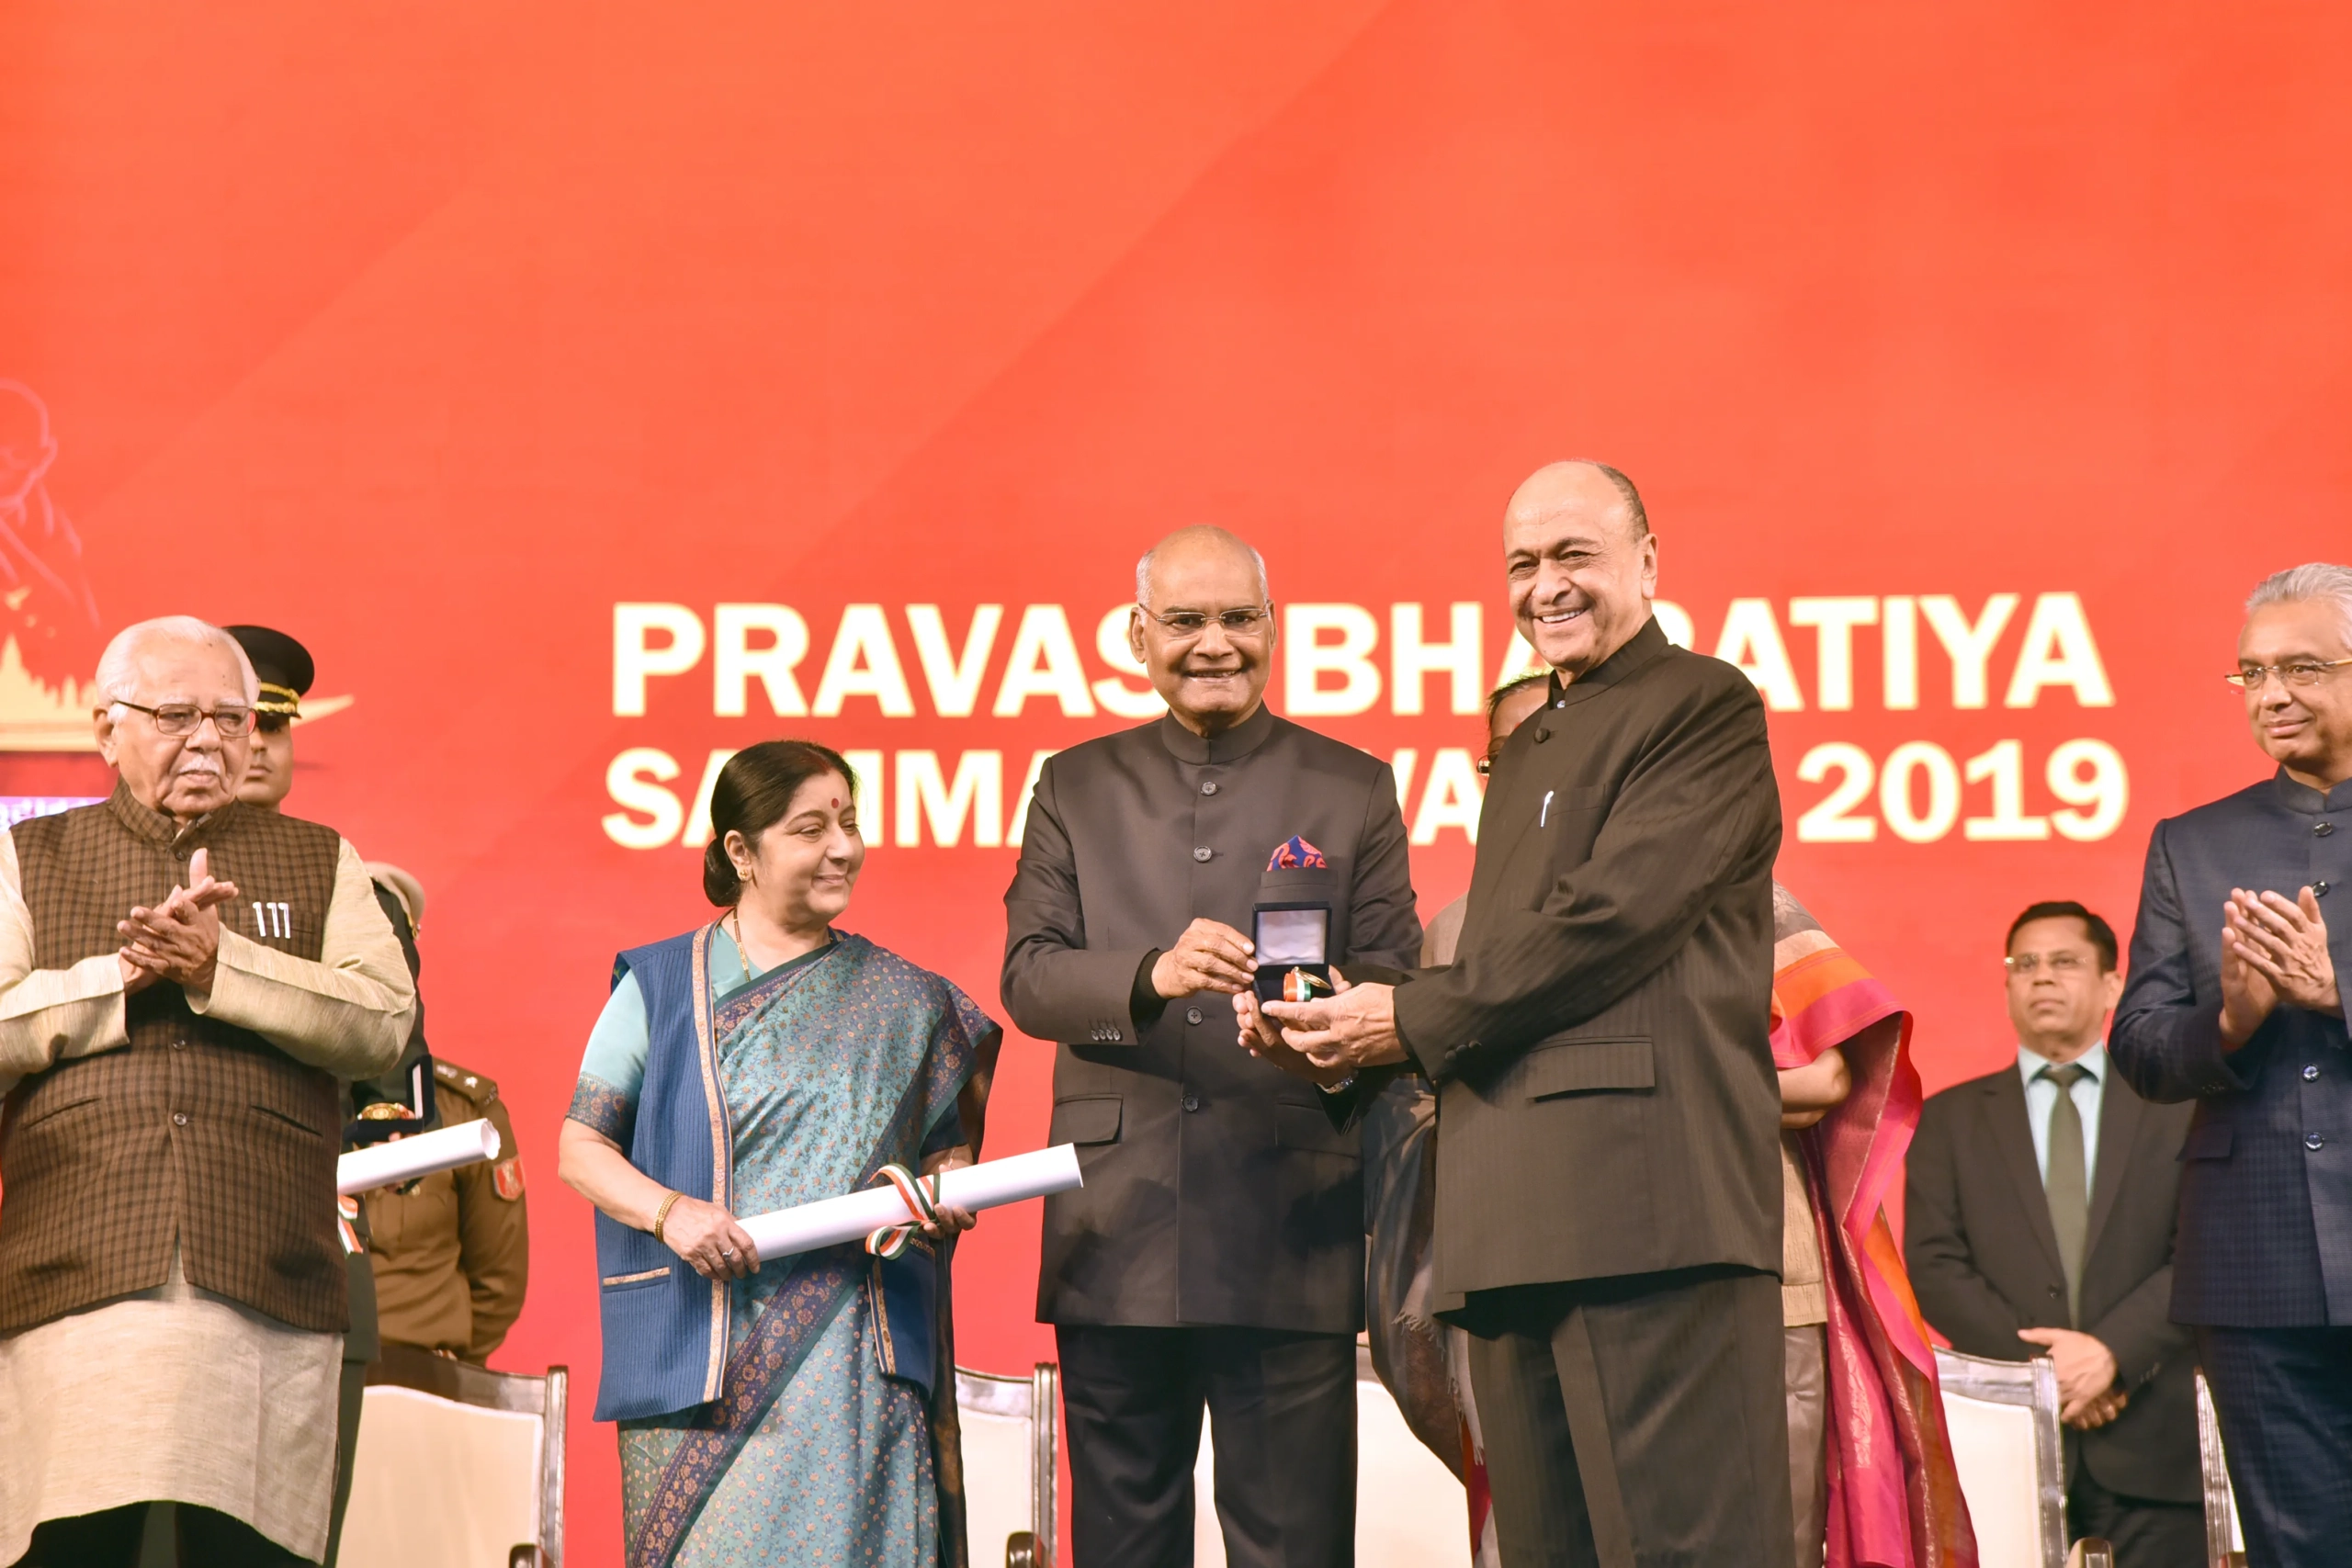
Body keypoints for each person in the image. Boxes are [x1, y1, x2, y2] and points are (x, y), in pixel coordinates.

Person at [1265, 461, 1790, 1568]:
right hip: (1504, 1225)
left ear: (1647, 561)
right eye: (1521, 563)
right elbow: (1502, 979)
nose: (1545, 585)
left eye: (1573, 555)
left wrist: (1404, 1017)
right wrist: (1338, 1037)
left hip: (1644, 1215)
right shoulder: (1531, 743)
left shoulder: (1701, 704)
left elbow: (1607, 926)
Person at [1001, 525, 1421, 1568]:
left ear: (1274, 627)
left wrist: (1323, 1036)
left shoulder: (1353, 785)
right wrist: (1152, 973)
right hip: (1115, 1228)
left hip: (1289, 1224)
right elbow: (1029, 977)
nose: (1214, 643)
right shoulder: (1073, 784)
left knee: (1295, 1548)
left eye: (1238, 618)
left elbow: (1396, 987)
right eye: (1185, 621)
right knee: (1122, 1549)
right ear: (1137, 635)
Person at [0, 615, 415, 1566]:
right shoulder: (29, 856)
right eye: (175, 715)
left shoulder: (321, 857)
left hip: (265, 1279)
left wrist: (224, 969)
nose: (209, 741)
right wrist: (120, 976)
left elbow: (385, 1021)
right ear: (106, 729)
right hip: (78, 1269)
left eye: (232, 719)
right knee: (72, 1547)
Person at [558, 739, 999, 1568]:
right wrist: (672, 1213)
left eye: (850, 823)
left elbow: (948, 1155)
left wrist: (946, 1192)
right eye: (810, 829)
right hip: (699, 1363)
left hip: (854, 1364)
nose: (842, 847)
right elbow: (580, 1147)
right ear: (741, 850)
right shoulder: (660, 984)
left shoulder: (908, 999)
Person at [2109, 562, 2352, 1568]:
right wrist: (2231, 1021)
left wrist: (2336, 996)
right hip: (2256, 1263)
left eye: (2302, 668)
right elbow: (2138, 1042)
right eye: (2252, 674)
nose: (2272, 695)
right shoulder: (2192, 843)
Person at [1907, 901, 2199, 1565]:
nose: (2042, 976)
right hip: (2008, 1448)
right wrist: (2051, 1376)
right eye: (2025, 964)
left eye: (2064, 961)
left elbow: (2202, 1255)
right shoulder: (1946, 1120)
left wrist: (2114, 1354)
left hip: (2156, 1440)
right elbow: (1933, 1265)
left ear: (2112, 985)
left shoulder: (2180, 1110)